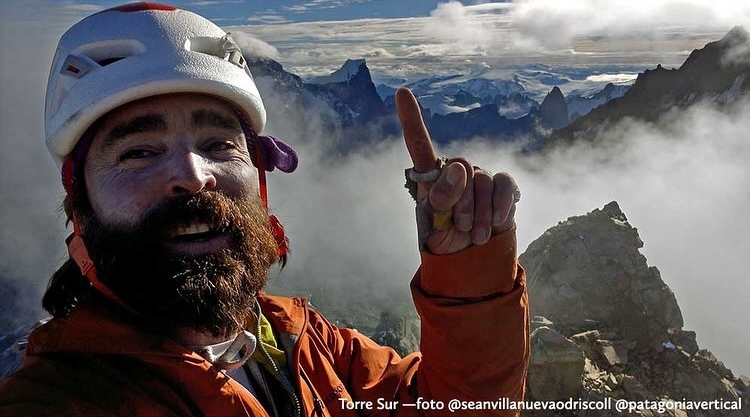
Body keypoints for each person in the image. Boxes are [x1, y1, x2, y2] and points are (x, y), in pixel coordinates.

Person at [0, 3, 528, 416]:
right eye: (138, 152)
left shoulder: (304, 341)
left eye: (218, 144)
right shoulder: (64, 398)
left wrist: (470, 279)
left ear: (261, 178)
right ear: (81, 205)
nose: (193, 176)